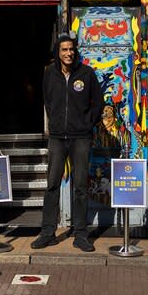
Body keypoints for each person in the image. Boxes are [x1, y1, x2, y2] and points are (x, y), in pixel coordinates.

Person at [31, 34, 104, 252]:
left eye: (71, 49)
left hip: (80, 137)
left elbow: (98, 102)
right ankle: (47, 233)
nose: (68, 53)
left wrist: (87, 123)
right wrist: (54, 122)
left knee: (80, 186)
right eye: (64, 50)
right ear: (58, 52)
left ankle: (81, 234)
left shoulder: (86, 74)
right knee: (52, 184)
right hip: (57, 138)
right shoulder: (49, 75)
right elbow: (47, 100)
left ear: (75, 51)